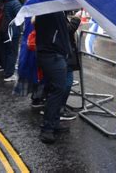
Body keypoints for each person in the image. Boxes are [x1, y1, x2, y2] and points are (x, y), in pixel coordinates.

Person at [36, 11, 80, 143]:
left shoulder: (49, 10)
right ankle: (47, 128)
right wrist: (75, 19)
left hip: (53, 55)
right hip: (53, 56)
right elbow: (65, 32)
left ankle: (54, 123)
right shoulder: (52, 11)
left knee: (55, 90)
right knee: (57, 91)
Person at [0, 0, 22, 82]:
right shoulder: (14, 2)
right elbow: (20, 15)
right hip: (12, 31)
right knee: (12, 52)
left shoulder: (0, 1)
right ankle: (9, 74)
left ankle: (6, 70)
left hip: (2, 29)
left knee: (5, 51)